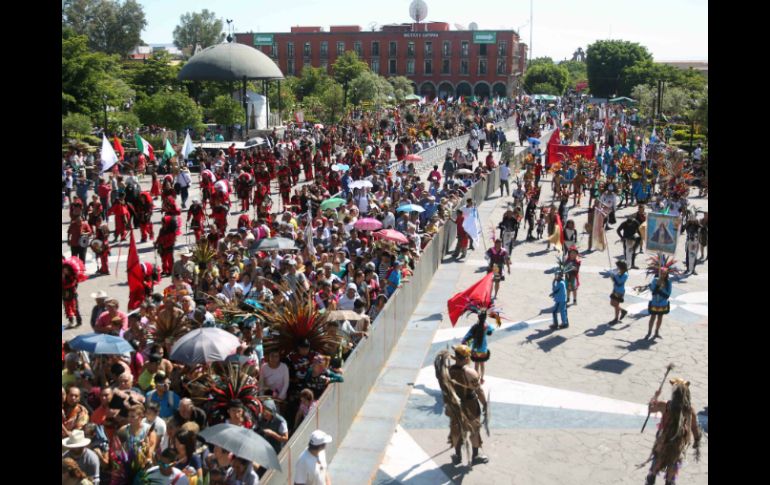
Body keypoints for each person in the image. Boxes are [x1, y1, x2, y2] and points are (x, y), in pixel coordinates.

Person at [434, 345, 489, 466]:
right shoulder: (470, 372)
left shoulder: (447, 370)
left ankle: (457, 456)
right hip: (470, 405)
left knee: (455, 430)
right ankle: (475, 456)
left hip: (454, 405)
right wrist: (485, 404)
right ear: (465, 358)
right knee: (474, 430)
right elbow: (479, 391)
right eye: (469, 356)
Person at [643, 378, 702, 485]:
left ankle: (651, 478)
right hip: (677, 447)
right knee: (671, 477)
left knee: (654, 468)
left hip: (662, 444)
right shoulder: (690, 410)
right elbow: (694, 428)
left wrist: (655, 396)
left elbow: (650, 408)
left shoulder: (665, 405)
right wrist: (697, 440)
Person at [637, 256, 679, 340]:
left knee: (660, 318)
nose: (663, 275)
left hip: (663, 303)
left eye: (664, 273)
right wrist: (657, 286)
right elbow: (653, 291)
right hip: (655, 302)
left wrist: (662, 289)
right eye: (662, 273)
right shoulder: (655, 280)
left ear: (666, 274)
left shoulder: (668, 283)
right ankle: (649, 332)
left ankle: (656, 332)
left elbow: (668, 294)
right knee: (652, 317)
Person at [461, 311, 496, 385]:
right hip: (483, 350)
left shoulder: (475, 326)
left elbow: (468, 336)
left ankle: (476, 379)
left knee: (476, 365)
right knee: (482, 365)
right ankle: (482, 378)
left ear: (478, 318)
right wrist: (486, 322)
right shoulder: (486, 326)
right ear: (485, 318)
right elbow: (491, 331)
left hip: (475, 350)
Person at [549, 260, 570, 330]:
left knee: (555, 312)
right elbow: (557, 291)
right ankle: (564, 323)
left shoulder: (560, 283)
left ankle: (557, 324)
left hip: (560, 300)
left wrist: (553, 282)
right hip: (561, 299)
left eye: (556, 275)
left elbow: (555, 289)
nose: (555, 276)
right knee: (562, 311)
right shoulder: (561, 282)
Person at [608, 261, 629, 325]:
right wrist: (612, 277)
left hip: (619, 291)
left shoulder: (625, 274)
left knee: (616, 305)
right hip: (615, 289)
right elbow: (615, 281)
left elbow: (619, 282)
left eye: (618, 267)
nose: (617, 268)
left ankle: (616, 319)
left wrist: (615, 275)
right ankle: (623, 311)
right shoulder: (620, 272)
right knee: (612, 303)